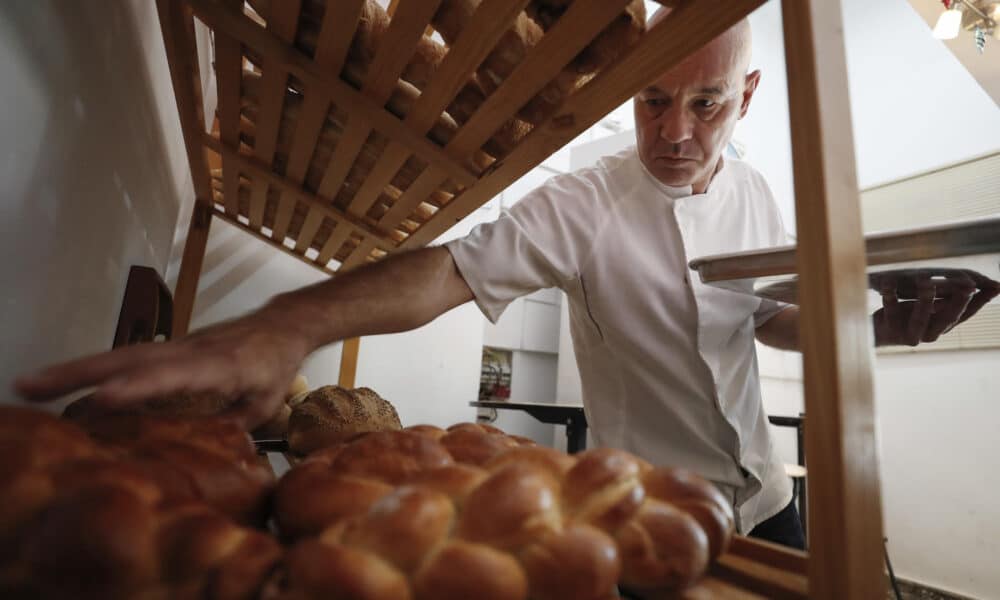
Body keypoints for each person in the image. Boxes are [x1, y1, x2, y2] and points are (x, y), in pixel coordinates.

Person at [14, 11, 997, 550]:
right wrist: (289, 322)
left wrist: (868, 326)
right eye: (654, 101)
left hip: (769, 507)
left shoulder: (759, 195)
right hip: (640, 515)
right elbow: (443, 274)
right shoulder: (583, 201)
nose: (675, 134)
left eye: (704, 104)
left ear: (744, 95)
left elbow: (768, 323)